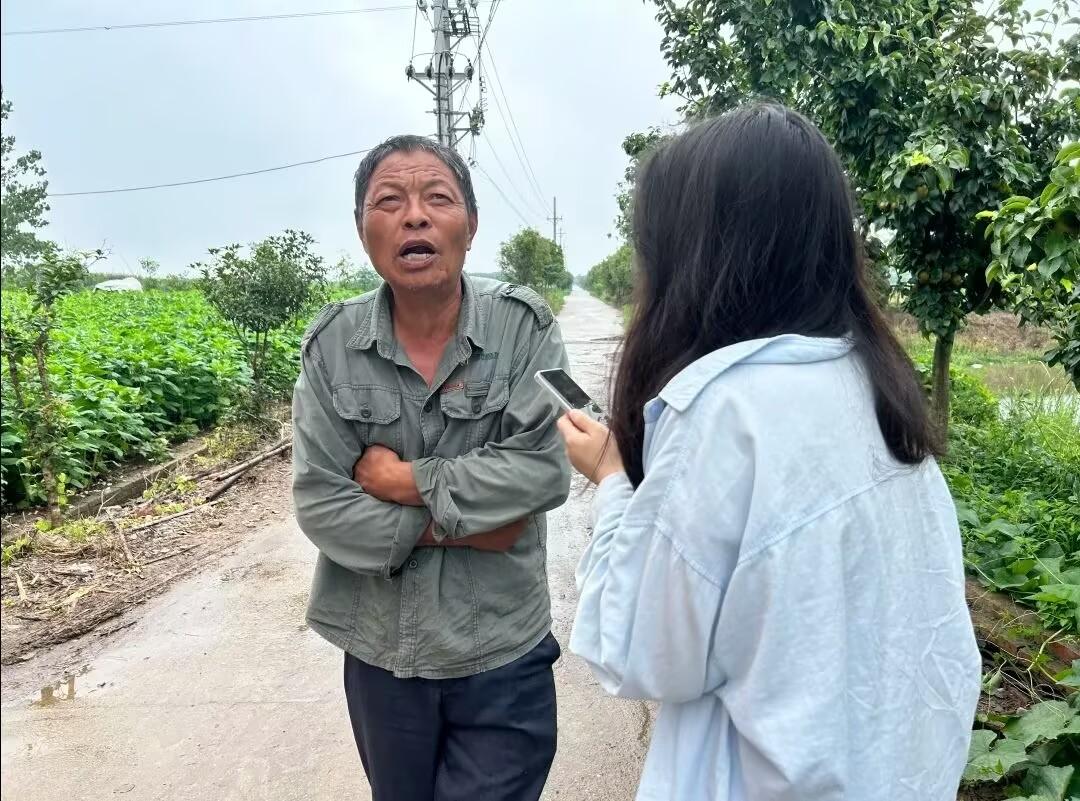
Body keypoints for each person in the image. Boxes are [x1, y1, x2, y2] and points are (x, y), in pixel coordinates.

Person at [557, 104, 981, 800]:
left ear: (698, 255)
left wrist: (612, 481)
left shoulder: (725, 412)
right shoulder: (874, 382)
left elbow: (637, 650)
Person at [292, 135, 571, 800]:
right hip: (382, 653)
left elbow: (543, 470)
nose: (414, 216)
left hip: (502, 645)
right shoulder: (331, 345)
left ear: (470, 225)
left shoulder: (527, 329)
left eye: (437, 198)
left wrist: (403, 481)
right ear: (362, 229)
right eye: (388, 201)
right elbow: (322, 503)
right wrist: (464, 525)